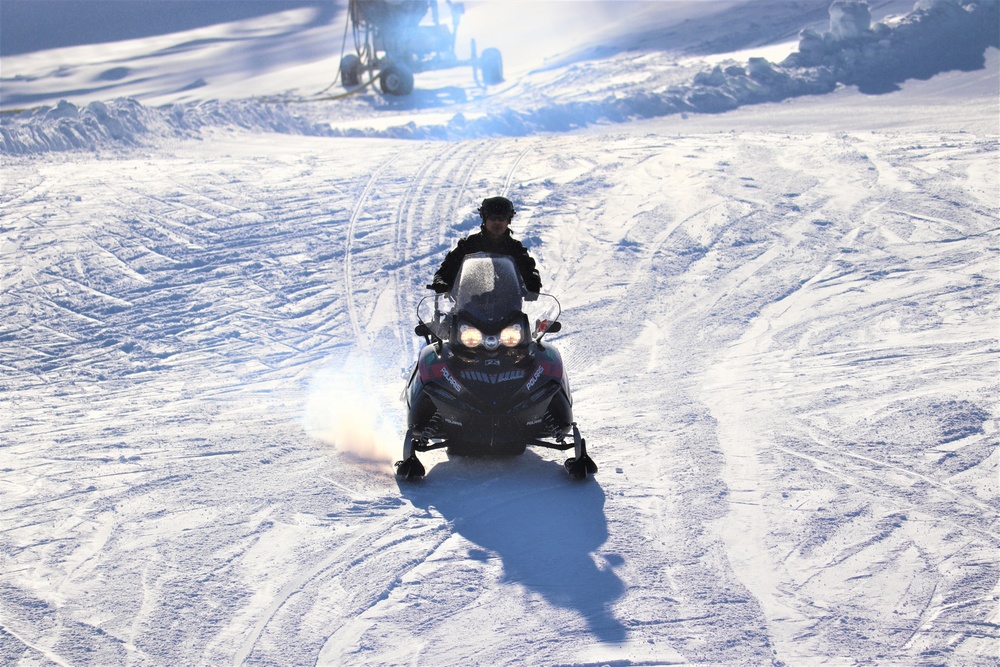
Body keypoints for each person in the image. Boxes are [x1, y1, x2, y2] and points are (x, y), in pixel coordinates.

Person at [428, 196, 542, 295]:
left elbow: (529, 269)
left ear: (508, 220)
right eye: (492, 218)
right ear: (484, 218)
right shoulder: (468, 245)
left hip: (509, 310)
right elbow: (446, 270)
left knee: (528, 321)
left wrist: (533, 282)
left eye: (501, 218)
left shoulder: (515, 248)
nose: (497, 222)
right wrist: (441, 282)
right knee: (446, 321)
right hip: (467, 308)